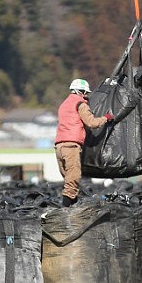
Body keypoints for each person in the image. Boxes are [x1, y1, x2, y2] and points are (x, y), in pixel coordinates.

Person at [55, 78, 114, 207]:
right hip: (71, 145)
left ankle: (73, 206)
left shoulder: (63, 104)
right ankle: (65, 210)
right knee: (73, 179)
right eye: (85, 93)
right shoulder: (80, 104)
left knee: (68, 178)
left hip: (59, 146)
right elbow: (92, 123)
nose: (87, 96)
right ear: (80, 92)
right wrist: (106, 118)